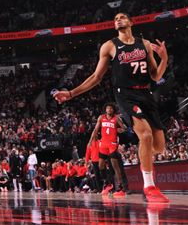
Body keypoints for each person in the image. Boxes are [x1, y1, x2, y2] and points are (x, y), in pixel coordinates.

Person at [53, 12, 169, 203]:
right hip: (126, 95)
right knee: (145, 135)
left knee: (159, 146)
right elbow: (96, 77)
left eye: (122, 17)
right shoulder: (110, 46)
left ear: (131, 22)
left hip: (145, 94)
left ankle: (145, 160)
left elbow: (156, 76)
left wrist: (164, 58)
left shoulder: (145, 44)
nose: (118, 20)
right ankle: (149, 186)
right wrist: (71, 93)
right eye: (115, 18)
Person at [88, 102, 127, 197]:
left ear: (113, 110)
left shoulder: (116, 118)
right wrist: (90, 141)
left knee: (115, 166)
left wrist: (119, 130)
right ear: (105, 109)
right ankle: (108, 183)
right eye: (107, 108)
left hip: (112, 144)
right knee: (100, 165)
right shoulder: (101, 118)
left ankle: (121, 188)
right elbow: (95, 130)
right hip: (103, 144)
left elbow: (125, 128)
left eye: (111, 108)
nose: (109, 110)